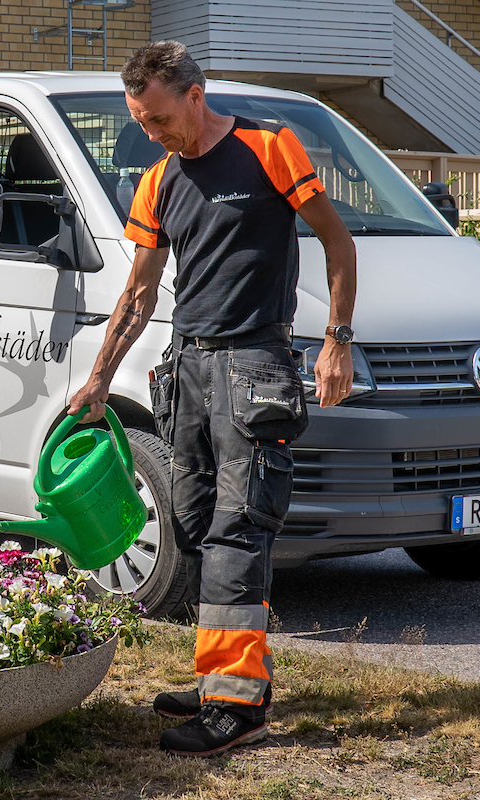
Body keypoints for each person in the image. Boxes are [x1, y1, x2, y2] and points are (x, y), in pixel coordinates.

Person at [68, 41, 356, 757]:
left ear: (194, 96)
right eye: (140, 121)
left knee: (237, 527)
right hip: (188, 366)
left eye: (159, 118)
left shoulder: (269, 148)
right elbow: (139, 292)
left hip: (255, 362)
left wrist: (337, 340)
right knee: (195, 521)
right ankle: (223, 677)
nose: (150, 132)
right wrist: (100, 377)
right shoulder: (159, 180)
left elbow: (337, 241)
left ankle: (236, 705)